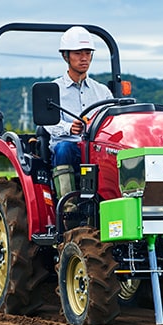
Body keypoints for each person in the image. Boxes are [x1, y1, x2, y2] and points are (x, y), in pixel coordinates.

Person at [46, 26, 113, 199]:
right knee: (63, 148)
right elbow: (46, 122)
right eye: (78, 53)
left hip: (95, 148)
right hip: (70, 148)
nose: (84, 58)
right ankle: (68, 205)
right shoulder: (53, 89)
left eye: (87, 53)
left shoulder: (102, 91)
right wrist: (69, 128)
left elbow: (112, 120)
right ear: (65, 56)